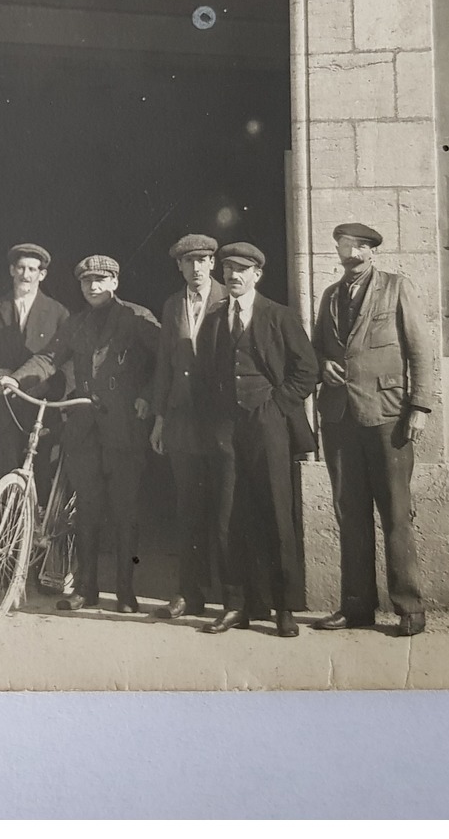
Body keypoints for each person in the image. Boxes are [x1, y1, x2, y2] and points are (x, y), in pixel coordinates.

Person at [0, 255, 159, 614]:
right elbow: (49, 357)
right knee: (86, 509)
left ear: (115, 282)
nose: (93, 286)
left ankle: (125, 592)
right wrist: (16, 379)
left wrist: (148, 397)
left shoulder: (136, 317)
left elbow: (166, 359)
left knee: (124, 510)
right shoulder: (77, 323)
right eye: (87, 281)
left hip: (123, 426)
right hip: (84, 426)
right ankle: (86, 588)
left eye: (101, 279)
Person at [310, 222, 434, 637]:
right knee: (351, 516)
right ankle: (356, 607)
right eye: (345, 247)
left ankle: (409, 608)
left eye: (359, 248)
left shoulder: (397, 287)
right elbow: (317, 351)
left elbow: (419, 349)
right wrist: (321, 366)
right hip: (339, 418)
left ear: (372, 253)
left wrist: (420, 406)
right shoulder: (330, 296)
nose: (351, 254)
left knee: (396, 514)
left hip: (388, 415)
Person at [201, 242, 318, 638]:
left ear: (257, 274)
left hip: (267, 426)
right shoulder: (216, 318)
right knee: (227, 516)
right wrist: (217, 417)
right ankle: (237, 605)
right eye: (227, 268)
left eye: (241, 269)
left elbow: (307, 370)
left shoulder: (278, 316)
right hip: (227, 429)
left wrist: (276, 406)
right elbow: (207, 372)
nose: (233, 275)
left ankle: (284, 608)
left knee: (275, 514)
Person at [149, 233, 227, 621]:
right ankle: (188, 593)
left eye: (203, 260)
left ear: (213, 263)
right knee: (188, 509)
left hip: (221, 424)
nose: (196, 268)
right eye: (188, 262)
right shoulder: (171, 305)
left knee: (226, 508)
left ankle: (232, 596)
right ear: (179, 266)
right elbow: (164, 364)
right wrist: (160, 418)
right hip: (181, 423)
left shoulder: (229, 299)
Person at [0, 243, 71, 485]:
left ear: (42, 275)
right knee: (0, 477)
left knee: (39, 476)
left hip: (39, 408)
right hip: (0, 410)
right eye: (21, 268)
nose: (25, 275)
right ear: (11, 270)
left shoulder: (58, 313)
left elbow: (61, 359)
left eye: (32, 269)